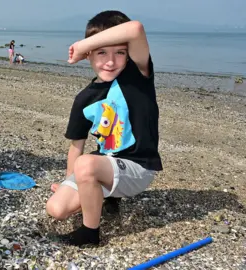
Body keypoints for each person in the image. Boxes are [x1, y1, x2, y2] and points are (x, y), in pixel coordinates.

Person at [45, 10, 163, 247]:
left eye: (120, 52)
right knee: (55, 208)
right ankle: (104, 196)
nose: (111, 61)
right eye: (101, 53)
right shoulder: (84, 100)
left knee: (87, 165)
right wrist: (69, 179)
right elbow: (76, 147)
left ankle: (90, 232)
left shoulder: (137, 75)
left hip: (138, 167)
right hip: (104, 165)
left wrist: (82, 45)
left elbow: (136, 28)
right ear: (89, 56)